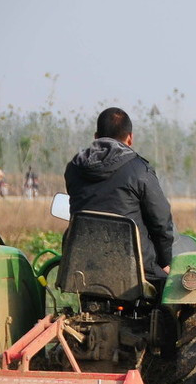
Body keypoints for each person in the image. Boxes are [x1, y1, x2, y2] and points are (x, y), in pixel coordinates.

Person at [64, 107, 174, 284]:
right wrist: (165, 261)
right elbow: (161, 222)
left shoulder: (74, 168)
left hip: (82, 266)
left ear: (96, 136)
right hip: (137, 269)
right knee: (178, 296)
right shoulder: (139, 170)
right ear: (130, 138)